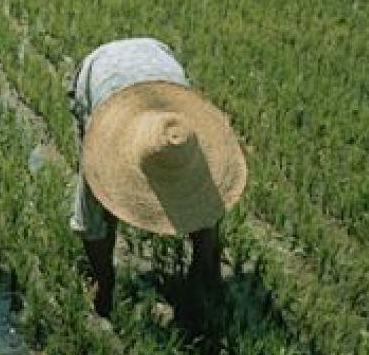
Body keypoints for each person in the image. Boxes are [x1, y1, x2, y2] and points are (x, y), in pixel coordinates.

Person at [68, 38, 247, 319]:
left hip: (158, 62)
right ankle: (104, 279)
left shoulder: (184, 139)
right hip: (103, 71)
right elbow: (89, 225)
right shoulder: (105, 143)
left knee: (200, 202)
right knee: (103, 198)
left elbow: (208, 209)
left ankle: (203, 271)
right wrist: (105, 283)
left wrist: (202, 271)